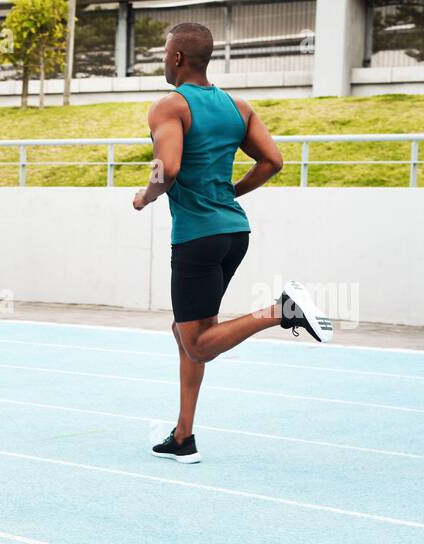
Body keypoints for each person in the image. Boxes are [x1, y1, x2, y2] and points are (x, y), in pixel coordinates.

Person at [132, 22, 332, 464]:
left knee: (199, 343)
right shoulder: (237, 107)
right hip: (233, 233)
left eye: (166, 53)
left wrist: (144, 197)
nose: (164, 60)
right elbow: (273, 161)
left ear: (178, 58)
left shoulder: (170, 106)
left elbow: (167, 167)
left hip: (197, 238)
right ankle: (183, 436)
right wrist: (230, 193)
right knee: (187, 334)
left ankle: (282, 310)